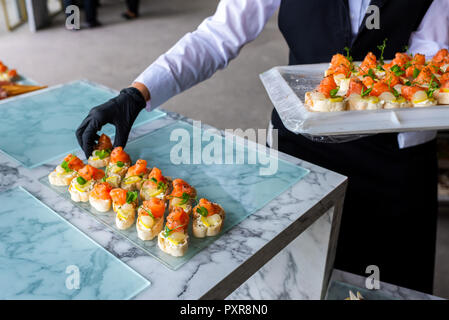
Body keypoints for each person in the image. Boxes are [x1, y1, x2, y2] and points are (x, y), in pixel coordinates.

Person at [77, 0, 449, 293]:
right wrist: (137, 94)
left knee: (388, 286)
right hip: (300, 154)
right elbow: (218, 35)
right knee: (293, 275)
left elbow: (433, 63)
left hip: (393, 164)